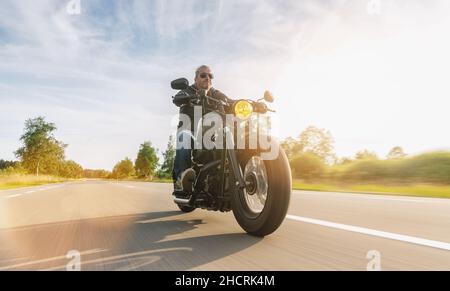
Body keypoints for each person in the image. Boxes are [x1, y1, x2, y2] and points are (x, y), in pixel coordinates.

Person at [172, 65, 233, 196]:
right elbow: (177, 98)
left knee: (232, 134)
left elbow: (230, 102)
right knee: (184, 136)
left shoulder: (216, 94)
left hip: (212, 137)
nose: (207, 78)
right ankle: (181, 179)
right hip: (192, 135)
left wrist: (250, 105)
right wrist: (184, 97)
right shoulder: (189, 90)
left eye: (210, 76)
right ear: (195, 78)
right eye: (203, 75)